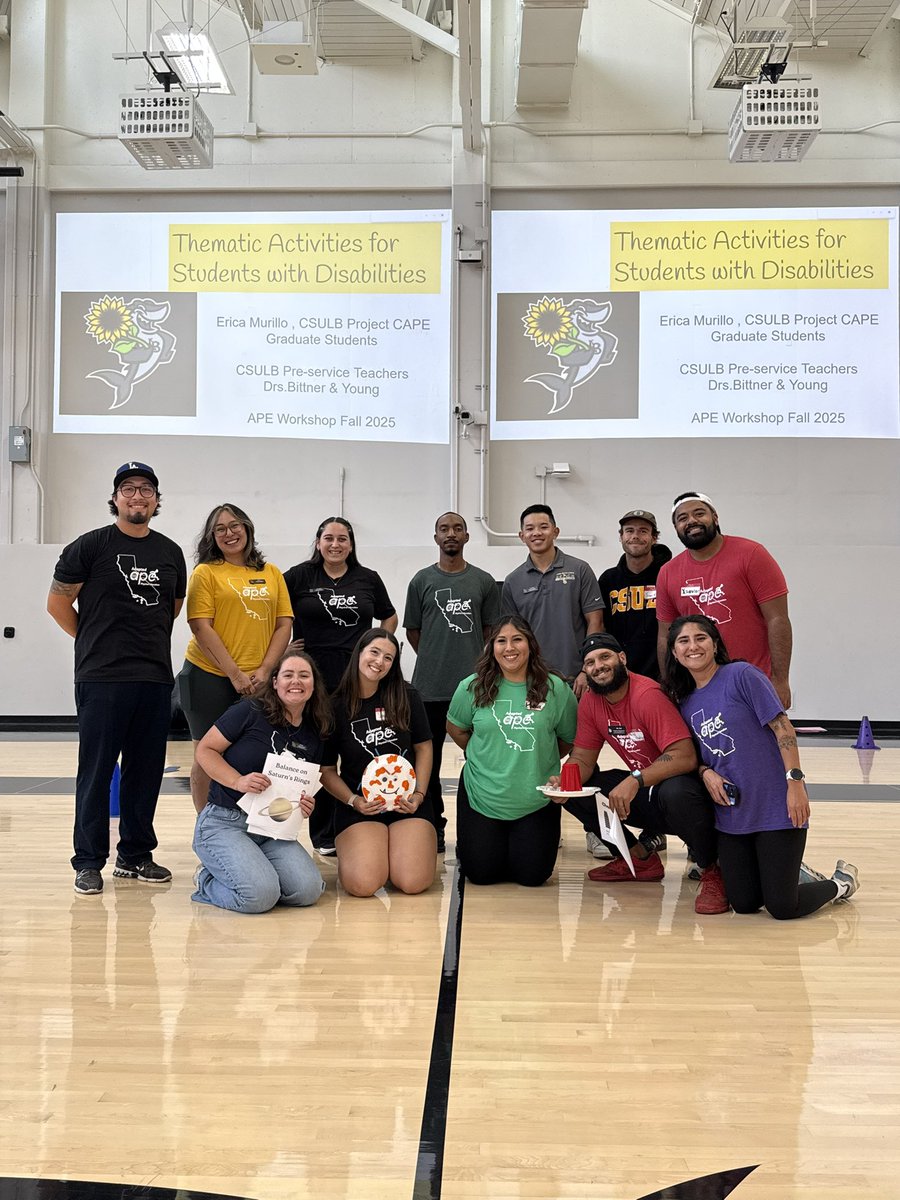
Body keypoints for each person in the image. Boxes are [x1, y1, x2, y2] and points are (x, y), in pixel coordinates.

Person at [47, 461, 187, 895]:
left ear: (157, 500)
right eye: (128, 488)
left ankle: (135, 855)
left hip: (154, 679)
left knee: (145, 772)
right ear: (115, 499)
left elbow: (172, 609)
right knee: (97, 770)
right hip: (101, 678)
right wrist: (92, 639)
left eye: (146, 489)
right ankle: (88, 861)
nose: (137, 495)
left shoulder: (170, 552)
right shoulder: (90, 546)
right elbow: (57, 604)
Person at [663, 614, 859, 920]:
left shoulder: (742, 675)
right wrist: (705, 772)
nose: (693, 646)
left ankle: (840, 883)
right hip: (732, 814)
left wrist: (795, 784)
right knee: (744, 903)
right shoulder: (685, 702)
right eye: (683, 641)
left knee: (782, 907)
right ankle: (791, 872)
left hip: (775, 805)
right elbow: (692, 756)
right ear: (675, 653)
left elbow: (783, 728)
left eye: (700, 638)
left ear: (715, 644)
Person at [557, 633, 728, 915]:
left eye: (605, 657)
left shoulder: (647, 695)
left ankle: (713, 869)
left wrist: (635, 779)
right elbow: (583, 759)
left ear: (622, 658)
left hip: (689, 795)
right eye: (590, 663)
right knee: (578, 792)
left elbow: (685, 756)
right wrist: (564, 781)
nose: (598, 666)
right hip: (648, 791)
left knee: (675, 791)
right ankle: (638, 859)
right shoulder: (590, 702)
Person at [284, 517, 398, 855]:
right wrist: (283, 649)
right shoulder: (298, 577)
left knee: (352, 751)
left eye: (343, 539)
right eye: (329, 538)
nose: (336, 544)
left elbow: (389, 615)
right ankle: (322, 835)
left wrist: (378, 646)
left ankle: (354, 820)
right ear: (318, 541)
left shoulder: (367, 578)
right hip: (312, 682)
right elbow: (273, 616)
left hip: (355, 682)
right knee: (318, 756)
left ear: (351, 544)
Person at [192, 648, 328, 914]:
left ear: (314, 684)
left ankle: (255, 872)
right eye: (288, 675)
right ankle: (206, 879)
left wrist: (305, 804)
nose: (296, 681)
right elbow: (205, 750)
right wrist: (238, 781)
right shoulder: (250, 710)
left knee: (308, 890)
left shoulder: (314, 732)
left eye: (304, 675)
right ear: (275, 682)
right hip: (225, 822)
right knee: (259, 897)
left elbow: (303, 785)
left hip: (272, 829)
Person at [446, 615, 578, 887]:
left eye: (517, 639)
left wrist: (539, 758)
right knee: (481, 875)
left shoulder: (556, 688)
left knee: (533, 877)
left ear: (530, 644)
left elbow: (568, 739)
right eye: (501, 641)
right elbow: (456, 728)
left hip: (536, 798)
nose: (509, 648)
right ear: (491, 647)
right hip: (482, 795)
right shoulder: (472, 687)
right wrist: (485, 752)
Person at [178, 503, 294, 813]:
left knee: (259, 753)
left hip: (260, 679)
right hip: (208, 678)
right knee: (206, 754)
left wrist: (266, 669)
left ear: (247, 528)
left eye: (234, 526)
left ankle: (253, 824)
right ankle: (206, 828)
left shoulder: (271, 572)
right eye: (220, 529)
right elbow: (200, 626)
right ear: (211, 537)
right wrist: (234, 674)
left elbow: (284, 624)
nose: (229, 533)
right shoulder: (205, 573)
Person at [403, 511, 501, 852]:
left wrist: (467, 660)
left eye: (458, 528)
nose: (451, 534)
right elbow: (413, 631)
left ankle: (481, 829)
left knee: (482, 760)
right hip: (428, 689)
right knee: (427, 764)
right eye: (444, 529)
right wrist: (435, 657)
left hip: (474, 689)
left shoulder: (483, 581)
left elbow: (490, 632)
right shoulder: (421, 580)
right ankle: (433, 828)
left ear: (466, 537)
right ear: (436, 538)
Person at [320, 629, 436, 897]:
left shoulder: (407, 695)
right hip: (361, 806)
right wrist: (353, 801)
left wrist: (419, 794)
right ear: (359, 652)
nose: (379, 661)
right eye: (374, 652)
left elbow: (424, 747)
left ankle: (396, 852)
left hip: (407, 803)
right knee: (363, 885)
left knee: (413, 882)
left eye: (388, 658)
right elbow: (326, 770)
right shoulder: (334, 706)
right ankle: (375, 851)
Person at [655, 492, 792, 708]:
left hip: (754, 682)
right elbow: (665, 636)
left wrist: (780, 680)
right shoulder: (667, 573)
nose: (692, 521)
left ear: (715, 518)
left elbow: (777, 619)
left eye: (699, 513)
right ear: (676, 528)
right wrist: (671, 685)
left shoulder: (751, 554)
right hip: (697, 688)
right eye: (682, 518)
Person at [590, 507, 672, 862]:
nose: (635, 536)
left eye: (642, 531)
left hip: (661, 680)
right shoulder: (608, 580)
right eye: (629, 531)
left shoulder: (667, 574)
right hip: (621, 682)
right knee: (630, 750)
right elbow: (600, 631)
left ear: (654, 537)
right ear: (620, 537)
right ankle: (624, 825)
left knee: (666, 754)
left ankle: (674, 828)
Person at [501, 504, 604, 696]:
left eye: (543, 527)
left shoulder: (580, 570)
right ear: (522, 536)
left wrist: (586, 669)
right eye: (530, 528)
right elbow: (511, 636)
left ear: (555, 531)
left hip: (577, 680)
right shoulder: (512, 581)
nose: (537, 533)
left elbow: (595, 621)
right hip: (532, 679)